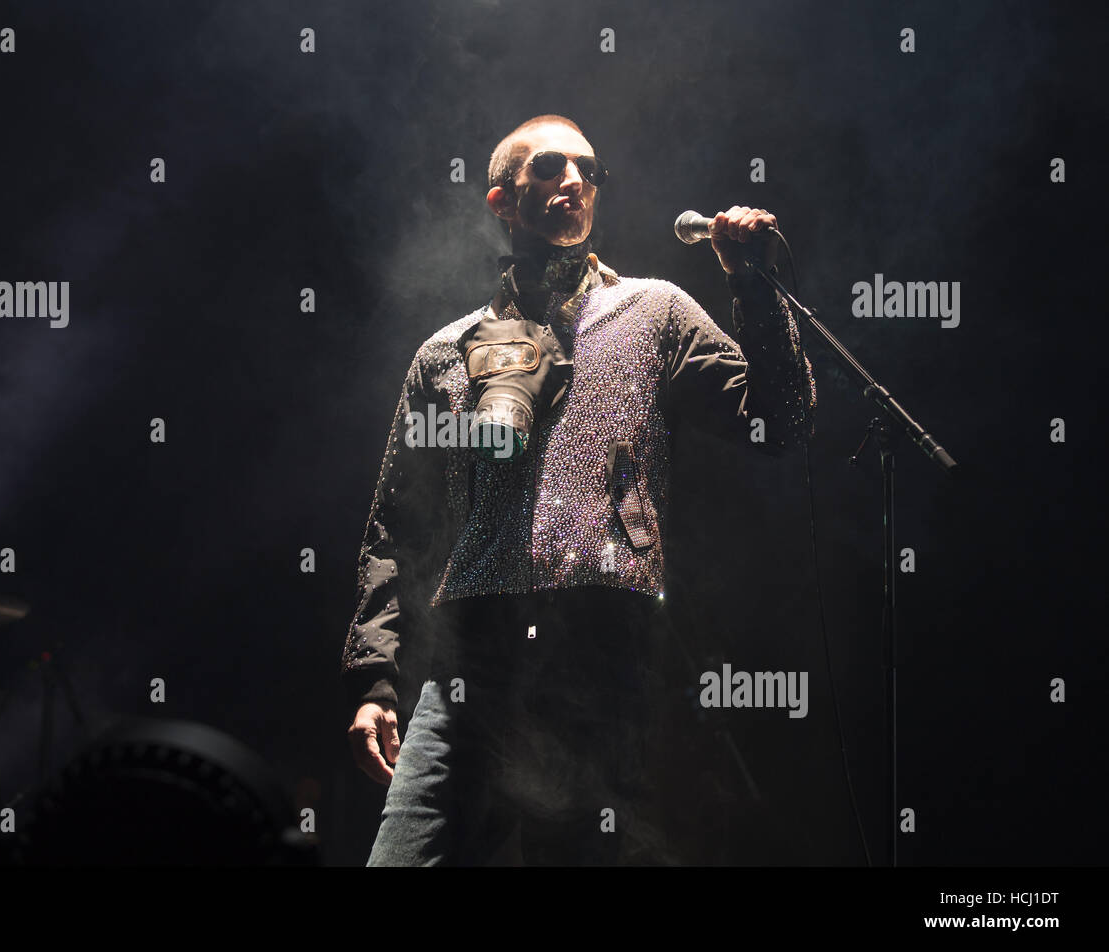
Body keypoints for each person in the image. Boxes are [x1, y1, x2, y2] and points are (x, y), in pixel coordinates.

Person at [341, 114, 817, 865]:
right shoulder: (445, 352)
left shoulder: (653, 311)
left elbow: (780, 420)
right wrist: (376, 681)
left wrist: (753, 285)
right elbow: (394, 530)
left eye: (588, 171)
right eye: (551, 166)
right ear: (501, 198)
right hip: (474, 657)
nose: (574, 181)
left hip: (600, 646)